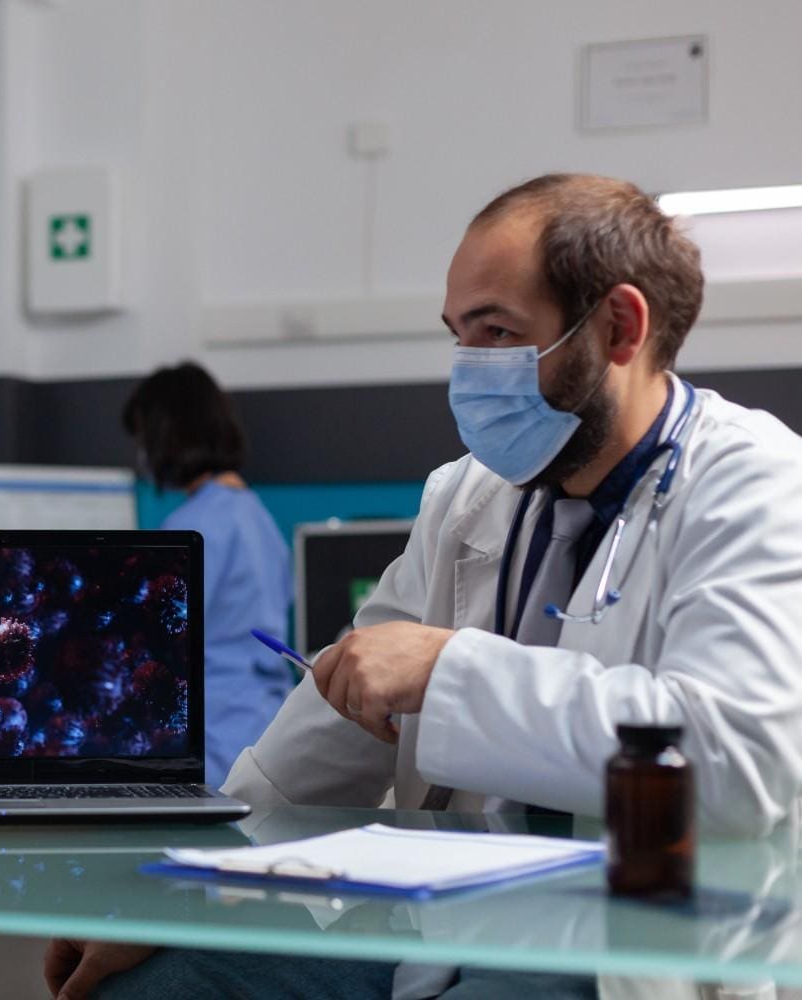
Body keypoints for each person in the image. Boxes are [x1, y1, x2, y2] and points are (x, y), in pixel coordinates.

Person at [46, 173, 802, 999]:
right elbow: (332, 722)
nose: (468, 371)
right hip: (454, 920)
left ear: (619, 327)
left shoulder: (755, 485)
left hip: (624, 943)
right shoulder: (468, 496)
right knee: (154, 987)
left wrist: (449, 669)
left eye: (498, 333)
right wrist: (177, 891)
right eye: (458, 336)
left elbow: (736, 760)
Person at [122, 362, 294, 785]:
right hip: (266, 730)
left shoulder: (193, 528)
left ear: (166, 435)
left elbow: (149, 643)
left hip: (212, 739)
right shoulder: (259, 518)